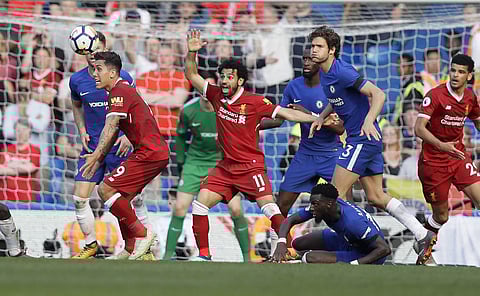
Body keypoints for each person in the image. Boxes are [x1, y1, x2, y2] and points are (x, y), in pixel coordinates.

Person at [184, 29, 321, 260]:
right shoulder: (217, 95)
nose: (224, 80)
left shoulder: (255, 101)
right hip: (226, 167)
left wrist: (316, 118)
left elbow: (285, 114)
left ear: (240, 81)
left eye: (229, 76)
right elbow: (191, 74)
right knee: (200, 204)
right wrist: (191, 53)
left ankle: (288, 250)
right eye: (222, 76)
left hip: (250, 167)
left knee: (270, 208)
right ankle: (204, 255)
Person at [309, 25, 436, 265]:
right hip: (367, 140)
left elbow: (378, 94)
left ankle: (361, 245)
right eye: (313, 46)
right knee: (376, 196)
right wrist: (321, 115)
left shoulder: (343, 71)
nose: (313, 50)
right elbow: (336, 98)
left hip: (362, 138)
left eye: (319, 46)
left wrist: (368, 120)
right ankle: (422, 233)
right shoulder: (325, 73)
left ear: (332, 50)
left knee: (334, 195)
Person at [80, 51, 169, 260]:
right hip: (152, 152)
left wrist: (95, 155)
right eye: (94, 69)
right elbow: (113, 131)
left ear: (112, 73)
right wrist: (99, 157)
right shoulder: (120, 90)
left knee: (105, 190)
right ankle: (131, 251)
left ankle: (144, 234)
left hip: (150, 152)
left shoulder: (119, 91)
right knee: (122, 199)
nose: (94, 74)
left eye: (99, 69)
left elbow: (110, 127)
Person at [68, 31, 148, 259]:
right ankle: (90, 245)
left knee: (130, 199)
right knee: (79, 198)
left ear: (104, 47)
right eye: (88, 50)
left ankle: (143, 245)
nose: (92, 53)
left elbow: (137, 106)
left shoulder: (122, 77)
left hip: (119, 147)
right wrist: (82, 130)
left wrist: (127, 136)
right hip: (93, 147)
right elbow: (76, 106)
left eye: (96, 48)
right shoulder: (77, 80)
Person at [164, 72, 250, 262]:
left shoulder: (228, 109)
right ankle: (167, 256)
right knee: (179, 208)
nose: (206, 91)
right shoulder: (188, 110)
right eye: (203, 87)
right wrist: (180, 165)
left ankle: (247, 258)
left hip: (222, 164)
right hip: (194, 163)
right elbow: (180, 138)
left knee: (236, 209)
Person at [260, 48, 344, 217]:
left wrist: (308, 114)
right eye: (304, 58)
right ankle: (279, 242)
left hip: (331, 154)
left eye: (310, 59)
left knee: (343, 206)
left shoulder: (332, 87)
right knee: (280, 207)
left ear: (320, 62)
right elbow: (279, 119)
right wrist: (254, 124)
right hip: (305, 154)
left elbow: (339, 128)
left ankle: (353, 241)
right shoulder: (293, 86)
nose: (306, 62)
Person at [415, 54, 480, 253]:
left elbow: (477, 120)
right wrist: (441, 145)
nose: (455, 75)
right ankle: (422, 238)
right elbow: (419, 128)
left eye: (461, 72)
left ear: (469, 76)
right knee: (442, 216)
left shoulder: (470, 97)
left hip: (458, 157)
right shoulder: (435, 95)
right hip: (433, 163)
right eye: (453, 70)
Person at [272, 183, 391, 264]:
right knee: (298, 243)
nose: (312, 207)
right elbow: (289, 220)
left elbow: (384, 249)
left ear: (328, 204)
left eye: (315, 204)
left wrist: (355, 264)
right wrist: (281, 242)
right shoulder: (326, 205)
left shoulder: (354, 222)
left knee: (310, 258)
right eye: (312, 203)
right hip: (345, 240)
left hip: (364, 253)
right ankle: (293, 256)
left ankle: (304, 259)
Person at [0, 118, 41, 202]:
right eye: (18, 130)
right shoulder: (6, 149)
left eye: (24, 130)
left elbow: (28, 169)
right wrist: (22, 163)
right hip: (4, 198)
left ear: (30, 132)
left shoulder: (35, 150)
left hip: (25, 199)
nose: (21, 133)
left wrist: (9, 163)